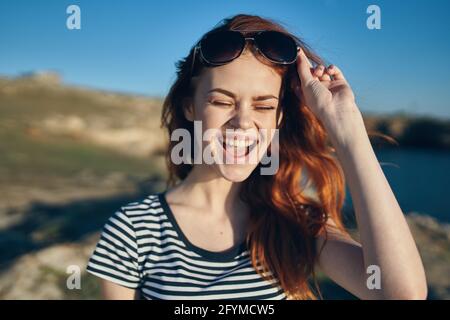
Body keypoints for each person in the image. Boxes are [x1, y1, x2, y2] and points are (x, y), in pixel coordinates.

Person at [86, 14, 427, 300]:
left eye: (264, 106)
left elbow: (400, 294)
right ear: (190, 107)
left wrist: (347, 127)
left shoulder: (295, 218)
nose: (244, 122)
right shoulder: (132, 229)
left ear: (279, 118)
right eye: (221, 102)